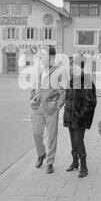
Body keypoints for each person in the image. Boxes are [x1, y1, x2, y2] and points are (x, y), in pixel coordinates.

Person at [30, 45, 66, 174]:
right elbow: (33, 85)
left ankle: (50, 162)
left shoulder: (59, 71)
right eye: (41, 55)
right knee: (36, 133)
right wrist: (32, 97)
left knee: (51, 136)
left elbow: (63, 91)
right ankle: (41, 154)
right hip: (37, 106)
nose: (41, 57)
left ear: (51, 56)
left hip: (51, 108)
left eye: (43, 55)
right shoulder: (39, 69)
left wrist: (57, 106)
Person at [63, 55, 97, 178]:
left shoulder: (86, 81)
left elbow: (91, 102)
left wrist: (81, 115)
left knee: (78, 141)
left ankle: (84, 166)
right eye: (70, 67)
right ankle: (75, 162)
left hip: (79, 118)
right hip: (70, 116)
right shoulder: (71, 80)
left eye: (73, 66)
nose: (71, 69)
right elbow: (68, 98)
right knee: (73, 142)